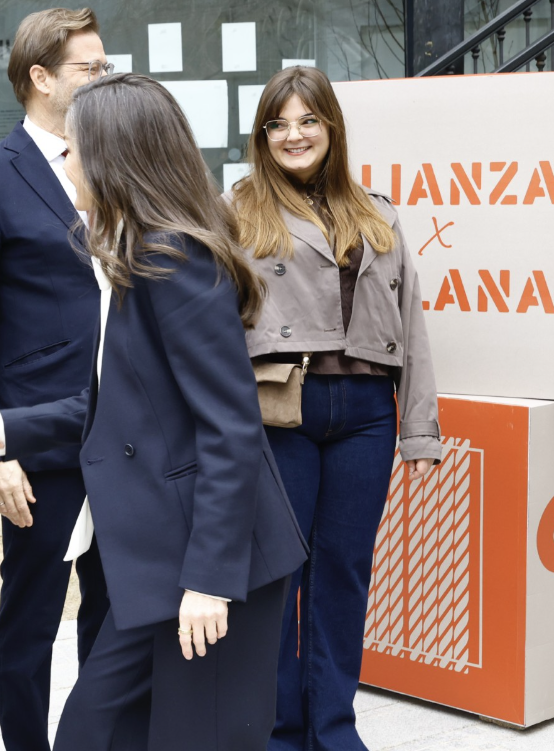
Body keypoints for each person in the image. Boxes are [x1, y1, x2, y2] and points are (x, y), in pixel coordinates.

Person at [0, 73, 309, 750]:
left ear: (112, 159)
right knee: (94, 734)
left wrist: (211, 582)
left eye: (71, 149)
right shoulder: (135, 257)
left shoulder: (175, 260)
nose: (63, 160)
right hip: (159, 566)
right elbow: (115, 408)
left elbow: (231, 428)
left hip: (209, 571)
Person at [230, 66, 441, 751]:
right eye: (279, 124)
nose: (294, 135)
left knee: (344, 573)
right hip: (280, 407)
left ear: (331, 127)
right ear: (262, 136)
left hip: (366, 412)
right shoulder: (238, 210)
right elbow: (211, 325)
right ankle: (282, 733)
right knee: (281, 578)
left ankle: (334, 729)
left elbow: (410, 324)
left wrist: (418, 428)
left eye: (308, 120)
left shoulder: (376, 212)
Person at [0, 10, 112, 748]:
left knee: (114, 615)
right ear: (40, 78)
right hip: (34, 448)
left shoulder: (111, 164)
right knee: (31, 621)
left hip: (120, 433)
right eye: (88, 69)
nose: (103, 78)